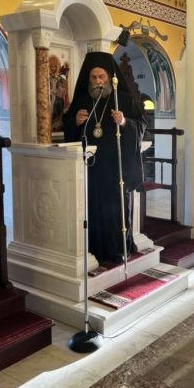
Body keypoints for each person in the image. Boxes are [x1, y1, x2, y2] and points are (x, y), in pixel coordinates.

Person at [63, 51, 146, 266]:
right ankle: (95, 249)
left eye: (101, 77)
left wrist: (125, 122)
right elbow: (67, 128)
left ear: (109, 77)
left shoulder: (122, 98)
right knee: (93, 210)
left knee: (116, 211)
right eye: (94, 77)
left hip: (116, 167)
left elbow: (141, 126)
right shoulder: (82, 100)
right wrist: (75, 122)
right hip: (91, 168)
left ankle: (118, 249)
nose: (98, 81)